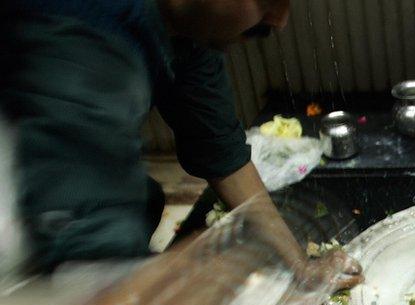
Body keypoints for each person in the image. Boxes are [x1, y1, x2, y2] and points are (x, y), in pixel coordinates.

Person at [0, 0, 317, 274]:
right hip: (23, 240)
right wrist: (228, 274)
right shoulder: (83, 37)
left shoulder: (189, 29)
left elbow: (221, 152)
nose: (280, 19)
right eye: (265, 0)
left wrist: (299, 266)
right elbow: (89, 269)